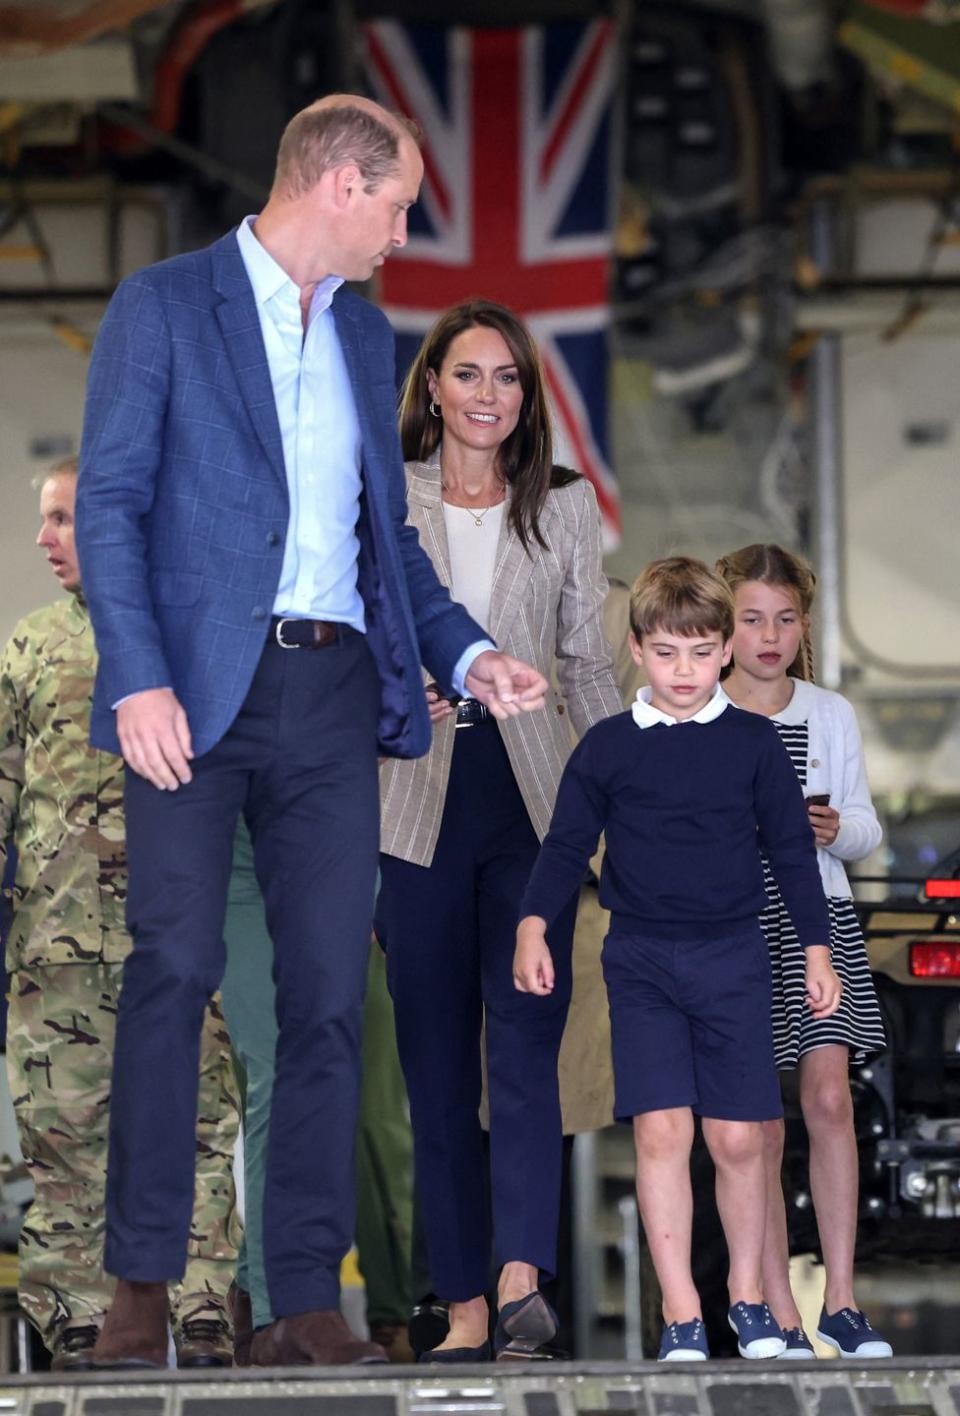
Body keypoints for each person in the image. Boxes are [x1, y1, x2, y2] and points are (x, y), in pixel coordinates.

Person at [74, 96, 548, 1371]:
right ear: (341, 182)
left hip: (332, 704)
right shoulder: (163, 305)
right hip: (192, 700)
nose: (405, 232)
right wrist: (137, 678)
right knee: (173, 976)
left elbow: (383, 543)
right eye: (397, 206)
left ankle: (301, 1301)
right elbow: (111, 506)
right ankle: (138, 1289)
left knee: (331, 1001)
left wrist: (468, 651)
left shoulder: (362, 330)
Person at [515, 556, 843, 1363]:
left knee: (739, 1141)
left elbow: (794, 855)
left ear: (725, 650)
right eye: (666, 653)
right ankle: (682, 1312)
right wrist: (531, 924)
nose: (684, 671)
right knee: (662, 1132)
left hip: (735, 959)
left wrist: (815, 949)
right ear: (636, 649)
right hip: (642, 962)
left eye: (700, 652)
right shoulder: (606, 747)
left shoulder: (755, 744)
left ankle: (746, 1299)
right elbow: (563, 848)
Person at [376, 298, 623, 1364]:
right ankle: (463, 1301)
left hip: (531, 798)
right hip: (411, 797)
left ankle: (524, 1282)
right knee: (434, 1066)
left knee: (523, 1043)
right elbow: (351, 637)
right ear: (431, 386)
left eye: (507, 378)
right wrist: (391, 699)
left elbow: (588, 663)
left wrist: (632, 791)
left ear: (528, 396)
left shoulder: (564, 509)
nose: (488, 395)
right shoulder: (385, 494)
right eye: (468, 374)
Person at [0, 459, 240, 1372]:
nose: (43, 538)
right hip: (55, 945)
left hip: (174, 935)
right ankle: (74, 1310)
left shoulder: (190, 639)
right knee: (63, 1137)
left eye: (61, 519)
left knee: (198, 1123)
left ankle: (203, 1304)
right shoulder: (29, 645)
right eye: (45, 521)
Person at [716, 543, 892, 1360]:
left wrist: (833, 830)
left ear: (804, 625)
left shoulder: (828, 712)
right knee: (760, 1121)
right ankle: (782, 1303)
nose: (769, 635)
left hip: (817, 914)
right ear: (726, 624)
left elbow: (864, 825)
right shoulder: (702, 708)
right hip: (736, 921)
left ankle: (845, 1299)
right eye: (752, 618)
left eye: (784, 619)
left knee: (830, 1100)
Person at [220, 827, 415, 1364]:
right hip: (228, 847)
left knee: (348, 1106)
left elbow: (393, 747)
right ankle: (271, 1312)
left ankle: (286, 1297)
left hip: (334, 846)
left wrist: (380, 883)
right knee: (274, 1080)